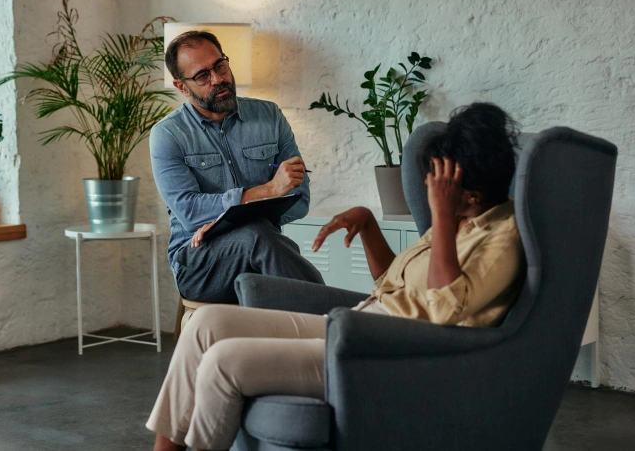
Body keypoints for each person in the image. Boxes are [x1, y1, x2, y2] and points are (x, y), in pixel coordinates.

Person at [147, 103, 526, 451]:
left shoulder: (502, 238)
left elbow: (441, 313)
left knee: (224, 361)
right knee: (208, 321)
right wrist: (368, 224)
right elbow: (392, 288)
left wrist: (441, 218)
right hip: (364, 321)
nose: (431, 190)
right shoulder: (459, 220)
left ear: (471, 193)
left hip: (393, 349)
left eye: (438, 183)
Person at [150, 30, 325, 305]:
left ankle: (326, 331)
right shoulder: (168, 135)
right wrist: (269, 190)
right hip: (199, 263)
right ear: (182, 87)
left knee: (257, 234)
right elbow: (190, 212)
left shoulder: (270, 117)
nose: (218, 79)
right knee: (258, 235)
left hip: (263, 253)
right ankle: (338, 321)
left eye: (220, 65)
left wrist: (226, 220)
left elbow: (299, 199)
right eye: (202, 76)